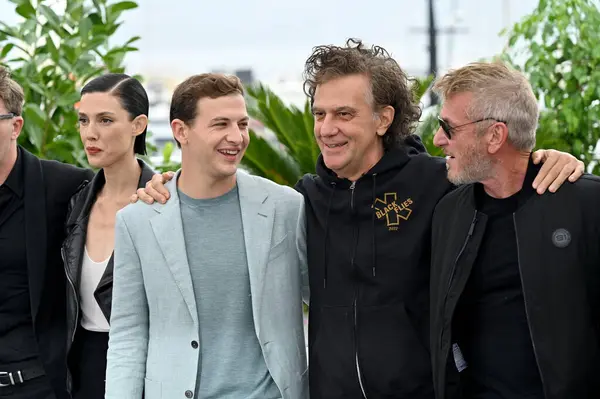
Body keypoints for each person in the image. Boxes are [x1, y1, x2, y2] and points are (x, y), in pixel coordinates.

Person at [137, 39, 584, 398]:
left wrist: (548, 160)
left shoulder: (441, 185)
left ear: (383, 119)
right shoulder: (302, 200)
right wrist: (166, 187)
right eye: (320, 113)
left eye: (344, 114)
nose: (327, 128)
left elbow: (502, 173)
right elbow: (220, 201)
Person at [105, 73, 308, 399]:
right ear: (180, 131)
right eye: (220, 124)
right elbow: (128, 334)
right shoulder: (137, 221)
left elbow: (329, 303)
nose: (237, 137)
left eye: (242, 124)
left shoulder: (286, 207)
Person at [429, 61, 600, 399]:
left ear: (495, 135)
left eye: (448, 127)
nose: (437, 140)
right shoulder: (449, 212)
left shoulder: (587, 204)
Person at [61, 73, 155, 399]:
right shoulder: (75, 205)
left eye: (105, 120)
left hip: (148, 370)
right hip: (82, 368)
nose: (90, 133)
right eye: (84, 120)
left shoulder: (164, 203)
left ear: (138, 124)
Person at [0, 67, 93, 399]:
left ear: (16, 126)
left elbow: (125, 187)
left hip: (37, 386)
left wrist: (158, 184)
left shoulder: (63, 186)